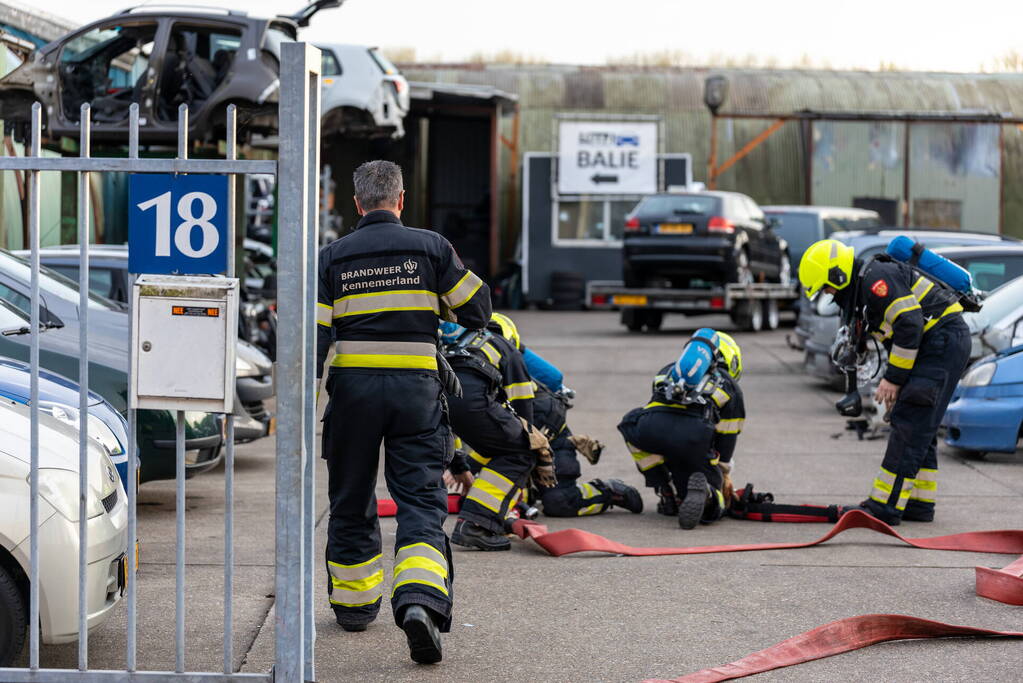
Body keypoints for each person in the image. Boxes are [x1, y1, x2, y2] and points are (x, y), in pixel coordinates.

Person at [317, 160, 491, 664]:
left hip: (352, 396)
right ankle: (418, 601)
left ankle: (354, 605)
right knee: (419, 501)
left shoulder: (332, 256)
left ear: (357, 203)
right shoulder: (432, 247)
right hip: (416, 393)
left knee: (350, 495)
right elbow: (478, 308)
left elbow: (316, 336)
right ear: (400, 199)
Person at [799, 239, 971, 525]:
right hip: (936, 344)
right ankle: (918, 503)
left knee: (910, 420)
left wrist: (893, 379)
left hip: (941, 342)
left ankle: (884, 506)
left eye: (826, 287)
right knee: (919, 422)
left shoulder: (877, 280)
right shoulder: (862, 287)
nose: (828, 294)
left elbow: (910, 324)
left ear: (838, 276)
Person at [440, 317, 552, 550]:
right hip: (474, 404)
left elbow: (452, 422)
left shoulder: (457, 346)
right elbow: (522, 398)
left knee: (502, 449)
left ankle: (479, 518)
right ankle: (476, 525)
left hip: (444, 405)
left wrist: (459, 465)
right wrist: (528, 436)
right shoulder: (504, 346)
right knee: (521, 452)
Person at [617, 329, 745, 529]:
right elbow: (727, 432)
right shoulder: (728, 385)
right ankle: (710, 495)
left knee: (630, 424)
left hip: (650, 429)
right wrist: (722, 471)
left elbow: (660, 408)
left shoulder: (668, 371)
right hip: (694, 437)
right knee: (718, 501)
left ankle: (665, 491)